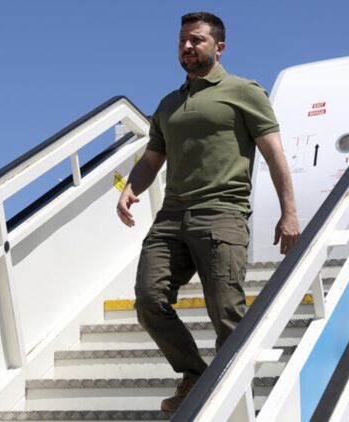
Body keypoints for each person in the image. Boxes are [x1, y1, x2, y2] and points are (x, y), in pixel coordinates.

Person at [115, 12, 300, 412]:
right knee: (148, 299)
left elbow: (274, 154)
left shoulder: (244, 91)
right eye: (182, 40)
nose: (187, 47)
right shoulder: (168, 105)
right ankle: (195, 376)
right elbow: (151, 160)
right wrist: (131, 187)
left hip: (222, 213)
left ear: (220, 47)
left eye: (197, 40)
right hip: (171, 218)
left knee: (226, 312)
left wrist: (289, 212)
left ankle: (237, 401)